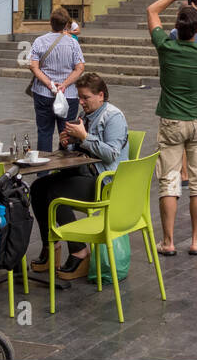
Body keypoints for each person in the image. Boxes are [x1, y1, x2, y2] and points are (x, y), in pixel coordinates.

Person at [30, 72, 129, 279]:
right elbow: (79, 150)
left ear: (101, 95)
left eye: (85, 98)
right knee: (39, 187)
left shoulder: (113, 117)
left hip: (105, 181)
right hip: (84, 173)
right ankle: (51, 246)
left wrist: (83, 136)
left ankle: (79, 251)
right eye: (80, 97)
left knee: (55, 192)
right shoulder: (86, 116)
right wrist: (67, 142)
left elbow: (111, 154)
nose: (81, 102)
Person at [148, 0, 197, 256]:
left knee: (170, 181)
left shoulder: (165, 47)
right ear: (196, 29)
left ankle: (168, 241)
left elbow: (152, 10)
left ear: (175, 27)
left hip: (172, 121)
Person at [27, 6, 86, 152]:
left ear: (50, 23)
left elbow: (33, 66)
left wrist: (49, 83)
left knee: (44, 132)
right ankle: (66, 170)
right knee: (67, 134)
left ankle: (43, 171)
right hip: (68, 94)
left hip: (43, 93)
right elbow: (80, 68)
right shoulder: (73, 42)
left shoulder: (40, 41)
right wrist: (64, 84)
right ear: (67, 24)